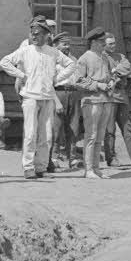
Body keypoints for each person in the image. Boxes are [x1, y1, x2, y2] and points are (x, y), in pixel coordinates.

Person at [0, 18, 66, 180]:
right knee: (30, 133)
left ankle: (41, 167)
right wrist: (21, 75)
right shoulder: (26, 49)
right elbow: (5, 62)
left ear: (46, 35)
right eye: (32, 33)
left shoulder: (52, 51)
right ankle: (28, 167)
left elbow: (70, 64)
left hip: (47, 96)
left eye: (38, 34)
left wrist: (57, 79)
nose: (34, 36)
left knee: (46, 134)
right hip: (29, 95)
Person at [73, 27, 117, 180]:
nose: (103, 44)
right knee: (90, 136)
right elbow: (78, 80)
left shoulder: (105, 57)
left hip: (106, 99)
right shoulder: (85, 58)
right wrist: (98, 85)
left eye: (104, 41)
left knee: (100, 136)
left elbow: (110, 75)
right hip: (91, 101)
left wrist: (111, 82)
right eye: (100, 41)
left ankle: (96, 168)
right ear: (92, 42)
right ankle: (88, 169)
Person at [101, 33, 131, 168]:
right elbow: (105, 75)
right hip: (109, 96)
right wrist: (116, 74)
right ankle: (111, 158)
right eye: (110, 44)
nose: (113, 46)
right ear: (103, 44)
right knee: (110, 130)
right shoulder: (101, 57)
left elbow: (127, 67)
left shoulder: (120, 56)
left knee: (128, 128)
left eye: (114, 43)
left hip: (122, 96)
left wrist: (116, 72)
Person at [51, 32, 82, 170]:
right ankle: (54, 158)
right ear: (56, 45)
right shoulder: (52, 60)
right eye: (64, 44)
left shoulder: (73, 59)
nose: (67, 46)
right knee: (56, 129)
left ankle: (73, 159)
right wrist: (56, 100)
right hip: (59, 92)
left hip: (73, 93)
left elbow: (78, 78)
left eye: (68, 44)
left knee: (74, 128)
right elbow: (50, 82)